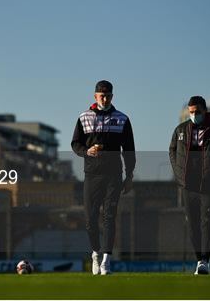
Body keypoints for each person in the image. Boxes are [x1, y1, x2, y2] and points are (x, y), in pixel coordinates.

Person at [71, 80, 136, 275]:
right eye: (101, 95)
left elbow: (129, 150)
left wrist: (130, 175)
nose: (105, 98)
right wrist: (86, 151)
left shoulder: (122, 119)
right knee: (90, 218)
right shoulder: (84, 117)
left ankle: (107, 259)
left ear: (112, 97)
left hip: (114, 175)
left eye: (108, 95)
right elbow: (75, 144)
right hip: (91, 175)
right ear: (95, 96)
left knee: (109, 216)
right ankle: (96, 254)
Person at [169, 96, 210, 275]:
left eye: (197, 112)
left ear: (205, 111)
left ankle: (204, 261)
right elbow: (172, 150)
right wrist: (179, 175)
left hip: (209, 186)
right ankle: (199, 259)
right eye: (191, 112)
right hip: (188, 186)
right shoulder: (181, 130)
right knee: (193, 224)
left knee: (207, 222)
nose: (194, 115)